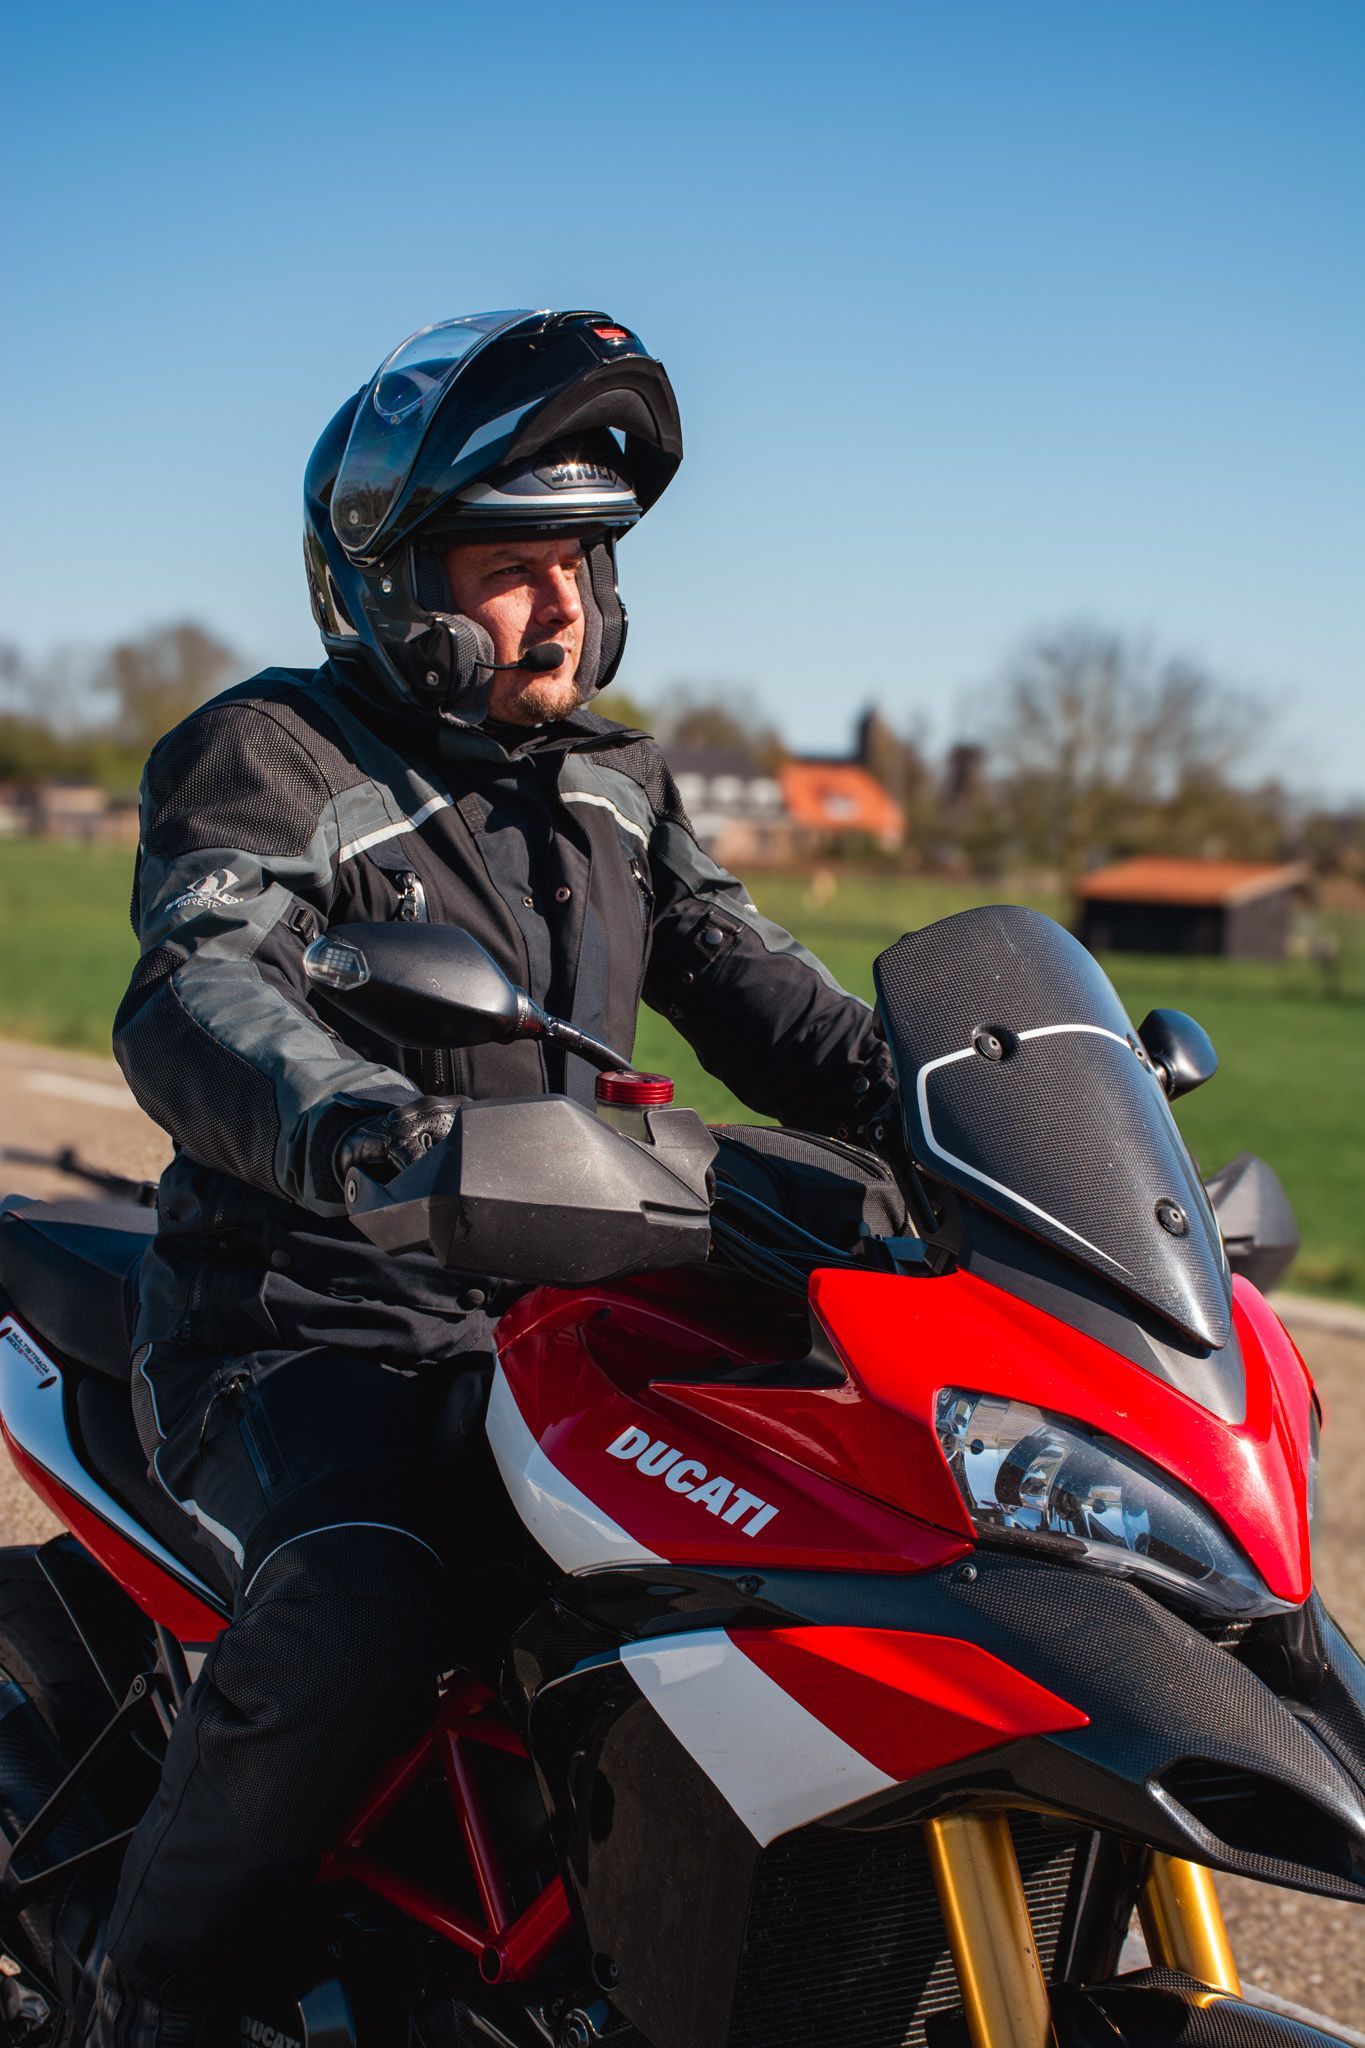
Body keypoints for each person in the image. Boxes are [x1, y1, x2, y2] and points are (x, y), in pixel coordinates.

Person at [90, 309, 896, 2044]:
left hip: (567, 1329)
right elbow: (198, 983)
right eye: (510, 563)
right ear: (383, 578)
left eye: (583, 560)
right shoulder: (277, 756)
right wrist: (369, 1132)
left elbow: (788, 1013)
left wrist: (999, 1128)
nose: (561, 608)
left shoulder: (617, 783)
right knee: (371, 1587)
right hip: (307, 1326)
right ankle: (139, 1999)